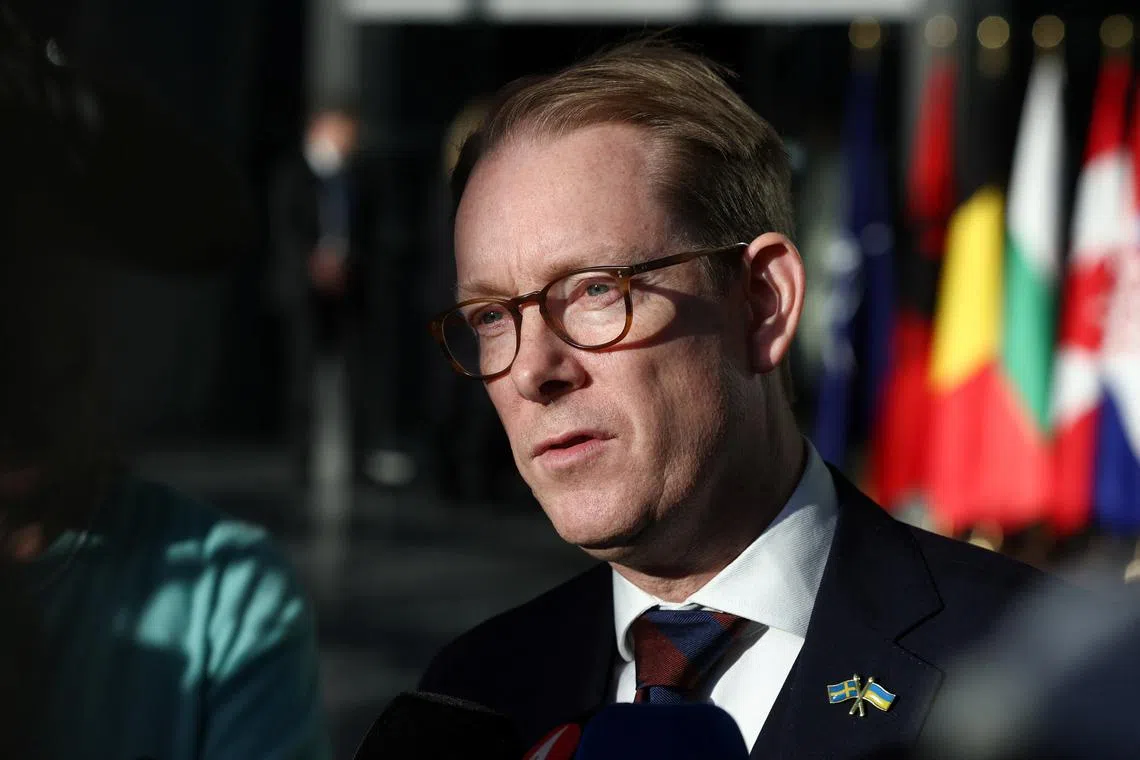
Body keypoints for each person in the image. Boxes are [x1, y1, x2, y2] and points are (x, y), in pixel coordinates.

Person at [418, 39, 1045, 757]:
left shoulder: (1042, 675)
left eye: (594, 290)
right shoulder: (470, 698)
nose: (533, 371)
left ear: (762, 303)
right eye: (493, 316)